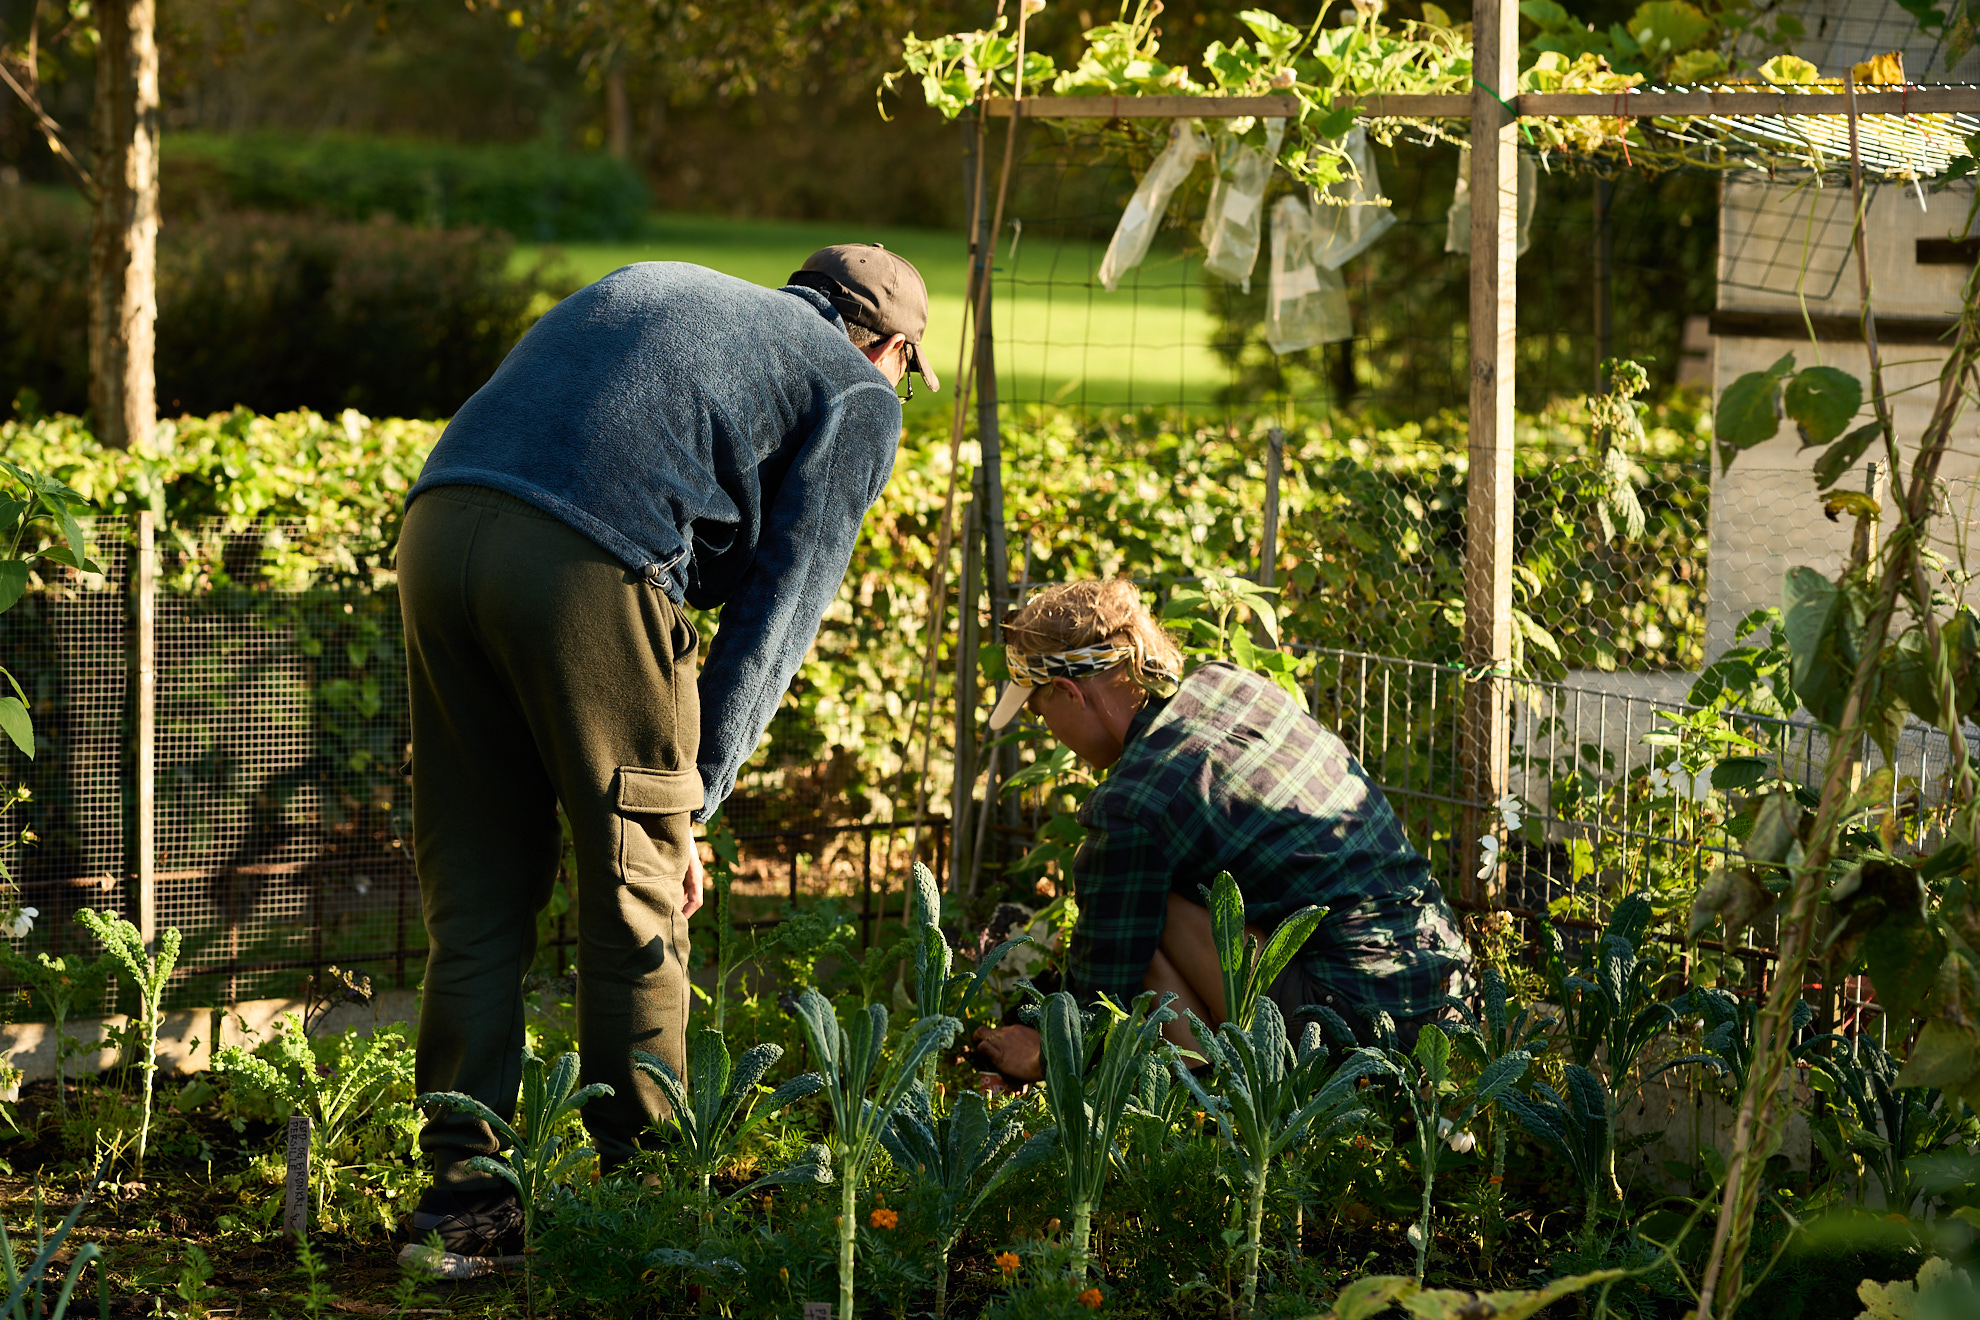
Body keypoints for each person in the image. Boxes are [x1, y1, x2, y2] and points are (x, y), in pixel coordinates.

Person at [396, 245, 937, 1258]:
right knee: (635, 882)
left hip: (439, 526)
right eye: (904, 366)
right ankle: (645, 1199)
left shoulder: (677, 287)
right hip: (586, 561)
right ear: (891, 345)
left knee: (474, 883)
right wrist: (689, 804)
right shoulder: (859, 390)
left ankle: (462, 1207)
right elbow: (779, 615)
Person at [970, 580, 1472, 1082]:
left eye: (1039, 711)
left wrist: (1040, 1054)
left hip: (1356, 1032)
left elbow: (1101, 991)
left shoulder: (1132, 803)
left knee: (1145, 907)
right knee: (1154, 889)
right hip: (1447, 994)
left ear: (1068, 691)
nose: (1045, 726)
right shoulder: (1231, 683)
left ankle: (1205, 1102)